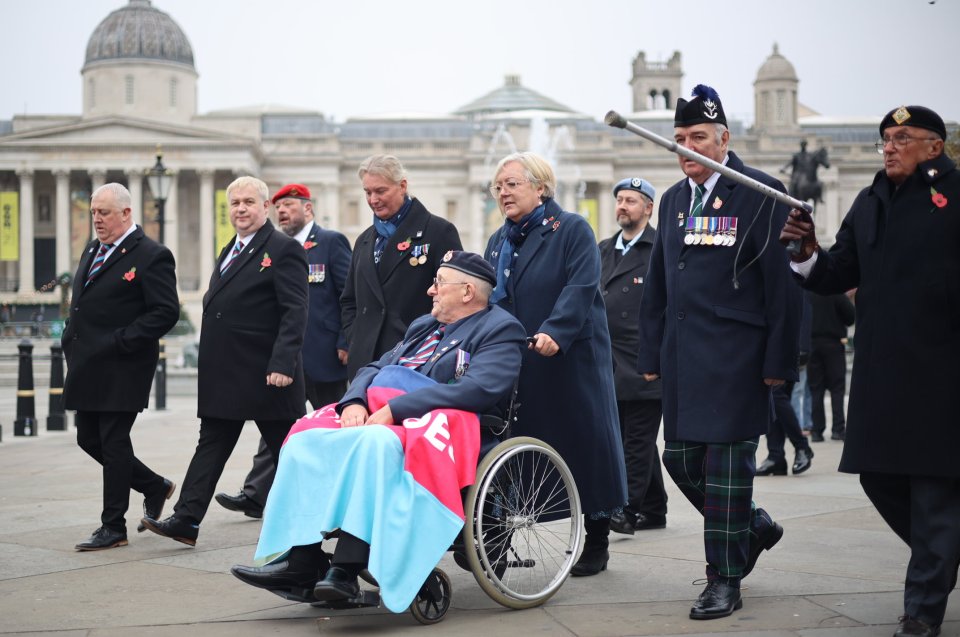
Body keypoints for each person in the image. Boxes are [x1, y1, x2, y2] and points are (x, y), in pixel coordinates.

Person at [231, 251, 526, 611]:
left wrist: (395, 409)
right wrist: (354, 401)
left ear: (467, 292)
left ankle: (345, 566)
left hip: (446, 427)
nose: (431, 291)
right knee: (305, 438)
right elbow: (376, 366)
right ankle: (300, 560)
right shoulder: (424, 326)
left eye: (438, 283)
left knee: (375, 443)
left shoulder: (500, 328)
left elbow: (476, 390)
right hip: (386, 414)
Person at [780, 104, 959, 637]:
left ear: (934, 145)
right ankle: (942, 552)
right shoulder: (870, 199)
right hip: (881, 371)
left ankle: (923, 609)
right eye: (885, 137)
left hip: (942, 371)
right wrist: (807, 253)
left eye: (902, 137)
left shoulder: (956, 196)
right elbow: (838, 271)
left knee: (933, 491)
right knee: (879, 477)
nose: (889, 145)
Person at [637, 85, 801, 619]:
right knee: (680, 459)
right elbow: (659, 284)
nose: (687, 148)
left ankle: (723, 579)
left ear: (724, 138)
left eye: (698, 137)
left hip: (737, 359)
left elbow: (782, 287)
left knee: (729, 471)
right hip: (684, 359)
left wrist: (780, 364)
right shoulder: (674, 200)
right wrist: (651, 354)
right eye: (680, 139)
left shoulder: (762, 193)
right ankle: (752, 526)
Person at [141, 176, 308, 546]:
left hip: (267, 374)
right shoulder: (231, 248)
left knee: (291, 454)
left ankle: (328, 520)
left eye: (249, 202)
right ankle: (186, 519)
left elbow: (295, 311)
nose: (241, 209)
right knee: (211, 443)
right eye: (235, 203)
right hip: (229, 373)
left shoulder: (283, 249)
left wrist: (282, 363)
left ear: (265, 207)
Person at [483, 151, 627, 577]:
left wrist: (555, 331)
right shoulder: (499, 241)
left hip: (568, 358)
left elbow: (581, 287)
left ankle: (596, 540)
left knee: (586, 448)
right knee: (514, 450)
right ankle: (499, 540)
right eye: (499, 186)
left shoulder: (572, 229)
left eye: (512, 184)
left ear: (540, 187)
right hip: (520, 360)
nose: (503, 192)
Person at [215, 183, 352, 519]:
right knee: (275, 425)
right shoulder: (270, 247)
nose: (282, 212)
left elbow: (349, 294)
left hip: (323, 357)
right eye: (278, 207)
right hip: (285, 357)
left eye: (289, 205)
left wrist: (345, 341)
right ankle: (256, 494)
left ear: (308, 208)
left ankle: (344, 498)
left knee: (333, 429)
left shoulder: (330, 242)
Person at [64, 183, 180, 551]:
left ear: (127, 213)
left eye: (104, 213)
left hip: (122, 365)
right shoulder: (94, 248)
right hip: (88, 362)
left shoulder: (151, 254)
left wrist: (121, 341)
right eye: (94, 212)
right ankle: (153, 485)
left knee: (114, 442)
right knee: (88, 438)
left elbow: (165, 311)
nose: (96, 219)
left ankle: (113, 526)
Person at [340, 155, 462, 380]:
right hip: (366, 362)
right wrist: (356, 337)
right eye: (367, 192)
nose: (373, 199)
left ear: (402, 186)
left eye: (380, 191)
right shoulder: (364, 240)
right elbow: (349, 300)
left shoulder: (438, 231)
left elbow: (455, 296)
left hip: (415, 358)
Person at [598, 177, 668, 535]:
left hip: (644, 364)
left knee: (635, 442)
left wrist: (659, 359)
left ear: (648, 208)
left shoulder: (660, 248)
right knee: (631, 437)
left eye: (632, 201)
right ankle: (655, 508)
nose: (623, 206)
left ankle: (626, 510)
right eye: (620, 200)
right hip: (610, 364)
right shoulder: (604, 249)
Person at [757, 295, 814, 476]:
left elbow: (801, 304)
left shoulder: (788, 269)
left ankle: (802, 447)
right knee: (771, 399)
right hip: (767, 344)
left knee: (775, 396)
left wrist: (802, 346)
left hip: (786, 345)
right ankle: (776, 456)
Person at [807, 291, 855, 442]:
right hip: (833, 344)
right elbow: (850, 317)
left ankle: (816, 431)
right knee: (837, 388)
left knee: (816, 389)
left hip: (812, 344)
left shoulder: (807, 294)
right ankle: (838, 429)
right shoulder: (836, 293)